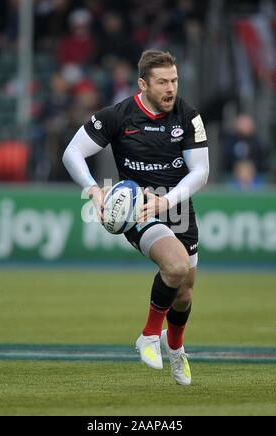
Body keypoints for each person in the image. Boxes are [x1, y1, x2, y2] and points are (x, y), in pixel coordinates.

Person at [63, 50, 209, 386]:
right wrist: (93, 190)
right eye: (162, 82)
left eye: (174, 80)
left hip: (178, 207)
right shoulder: (118, 116)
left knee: (184, 292)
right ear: (143, 84)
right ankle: (147, 335)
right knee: (173, 265)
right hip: (137, 208)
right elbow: (72, 152)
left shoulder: (188, 116)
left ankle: (176, 350)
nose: (170, 88)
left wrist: (168, 201)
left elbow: (201, 171)